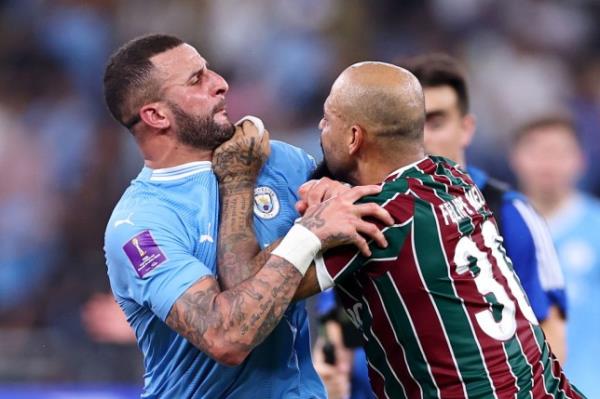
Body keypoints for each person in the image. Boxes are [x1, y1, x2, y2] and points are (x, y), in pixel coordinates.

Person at [223, 61, 584, 398]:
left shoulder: (372, 222)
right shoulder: (452, 177)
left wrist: (240, 182)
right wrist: (334, 192)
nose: (320, 127)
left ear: (353, 137)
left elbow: (247, 294)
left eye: (327, 118)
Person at [102, 34, 391, 398]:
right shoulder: (139, 225)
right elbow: (227, 338)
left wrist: (336, 192)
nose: (220, 83)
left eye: (209, 70)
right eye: (196, 80)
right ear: (156, 115)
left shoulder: (278, 161)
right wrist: (310, 233)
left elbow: (367, 218)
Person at [398, 54, 567, 362]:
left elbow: (550, 336)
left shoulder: (511, 214)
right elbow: (339, 335)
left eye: (436, 123)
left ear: (466, 128)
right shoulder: (365, 217)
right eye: (412, 125)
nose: (422, 138)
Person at [510, 115, 600, 398]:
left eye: (559, 152)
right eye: (536, 151)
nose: (547, 163)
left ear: (581, 160)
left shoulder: (596, 226)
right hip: (517, 388)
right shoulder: (491, 226)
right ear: (515, 158)